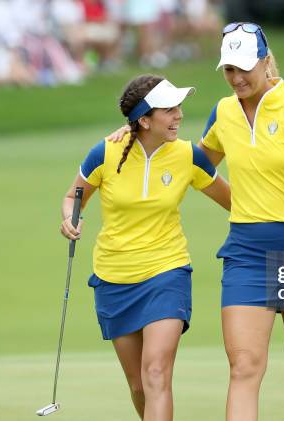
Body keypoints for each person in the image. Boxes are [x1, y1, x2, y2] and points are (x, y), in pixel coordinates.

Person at [107, 23, 284, 421]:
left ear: (266, 62)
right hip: (246, 253)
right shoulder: (224, 112)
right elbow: (191, 164)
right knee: (244, 367)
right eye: (229, 68)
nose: (237, 77)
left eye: (245, 66)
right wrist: (136, 136)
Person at [60, 74, 231, 421]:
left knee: (156, 374)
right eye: (169, 110)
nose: (179, 115)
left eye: (179, 108)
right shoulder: (105, 152)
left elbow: (237, 203)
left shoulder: (188, 156)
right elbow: (72, 196)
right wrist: (70, 218)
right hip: (114, 278)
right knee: (138, 385)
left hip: (166, 273)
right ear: (144, 120)